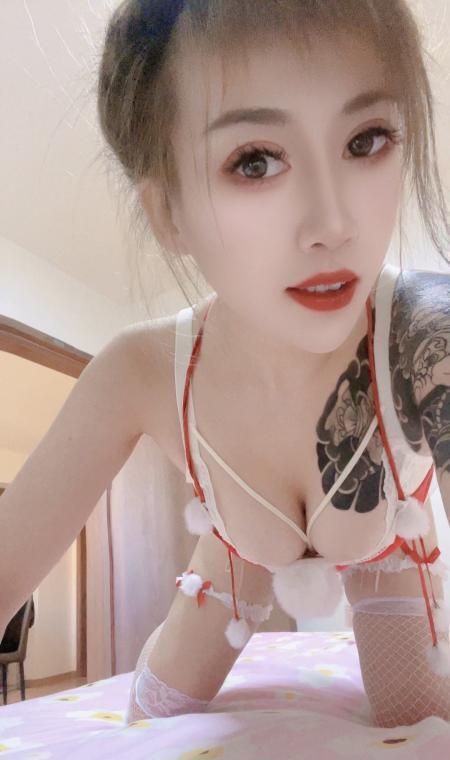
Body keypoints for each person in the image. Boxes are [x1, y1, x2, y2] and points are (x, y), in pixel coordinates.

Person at [1, 0, 449, 730]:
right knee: (156, 712)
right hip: (238, 546)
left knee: (418, 714)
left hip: (392, 537)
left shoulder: (430, 338)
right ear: (168, 212)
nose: (333, 224)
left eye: (366, 140)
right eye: (256, 161)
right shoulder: (141, 371)